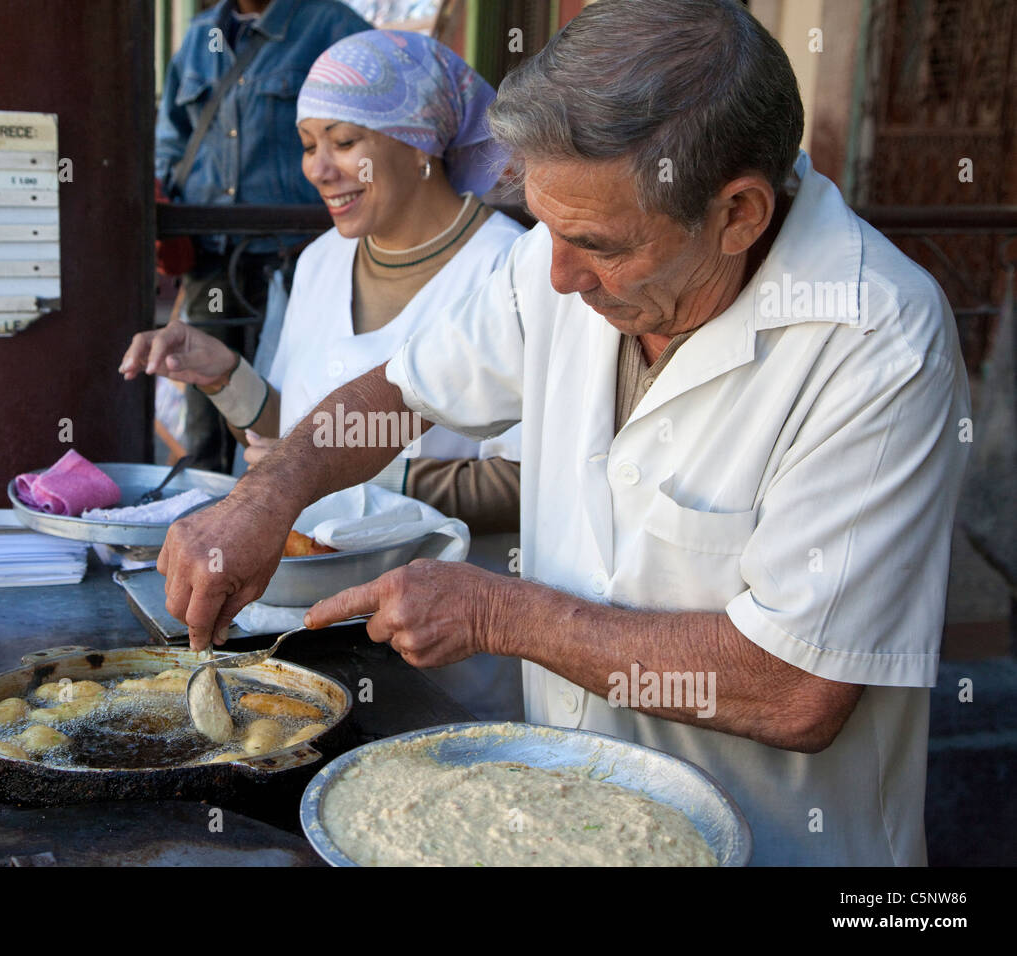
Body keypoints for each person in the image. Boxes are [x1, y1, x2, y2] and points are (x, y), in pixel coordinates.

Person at [153, 0, 972, 866]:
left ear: (737, 213)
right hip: (560, 823)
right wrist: (263, 497)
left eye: (597, 243)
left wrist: (501, 613)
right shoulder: (562, 263)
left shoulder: (877, 340)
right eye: (544, 224)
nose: (555, 274)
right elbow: (401, 389)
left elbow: (798, 688)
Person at [126, 30, 526, 719]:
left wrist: (366, 476)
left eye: (344, 142)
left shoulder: (503, 270)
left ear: (419, 141)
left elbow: (525, 485)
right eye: (309, 144)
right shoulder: (318, 263)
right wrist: (227, 378)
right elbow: (301, 438)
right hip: (308, 632)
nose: (318, 167)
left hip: (448, 648)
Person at [155, 0, 371, 472]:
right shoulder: (199, 38)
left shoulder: (333, 27)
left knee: (293, 399)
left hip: (296, 256)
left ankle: (282, 521)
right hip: (211, 258)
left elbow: (371, 130)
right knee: (206, 406)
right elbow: (170, 137)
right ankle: (209, 523)